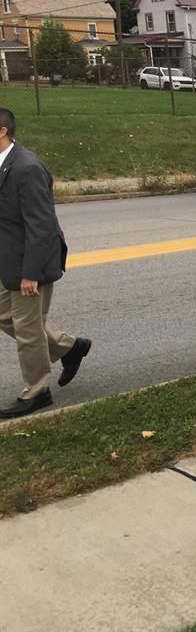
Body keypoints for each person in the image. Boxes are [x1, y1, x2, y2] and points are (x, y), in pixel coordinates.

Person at [0, 109, 93, 419]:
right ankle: (68, 347)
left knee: (27, 330)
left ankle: (37, 391)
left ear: (2, 131)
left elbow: (42, 225)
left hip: (30, 264)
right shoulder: (3, 165)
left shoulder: (26, 168)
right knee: (5, 314)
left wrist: (31, 274)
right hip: (8, 260)